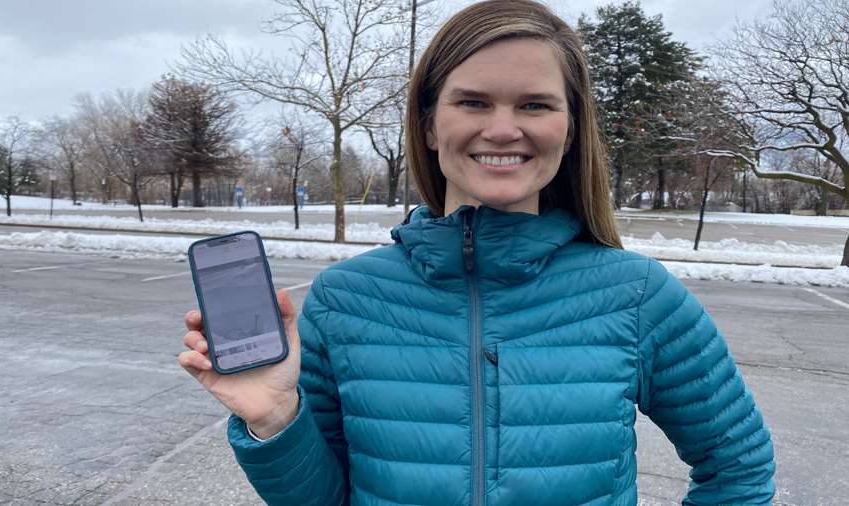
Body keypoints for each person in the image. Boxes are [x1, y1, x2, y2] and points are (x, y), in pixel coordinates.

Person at [178, 1, 776, 504]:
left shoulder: (638, 295)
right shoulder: (345, 299)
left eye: (535, 105)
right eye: (473, 102)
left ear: (569, 131)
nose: (503, 128)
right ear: (431, 125)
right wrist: (275, 419)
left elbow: (739, 468)